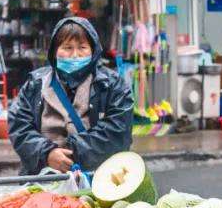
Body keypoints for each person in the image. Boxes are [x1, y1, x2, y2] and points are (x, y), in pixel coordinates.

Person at [8, 17, 133, 175]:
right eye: (67, 47)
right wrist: (46, 154)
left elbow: (118, 132)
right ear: (55, 51)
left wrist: (70, 152)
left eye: (82, 47)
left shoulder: (113, 85)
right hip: (41, 178)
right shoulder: (36, 84)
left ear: (93, 51)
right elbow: (19, 127)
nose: (75, 55)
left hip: (96, 179)